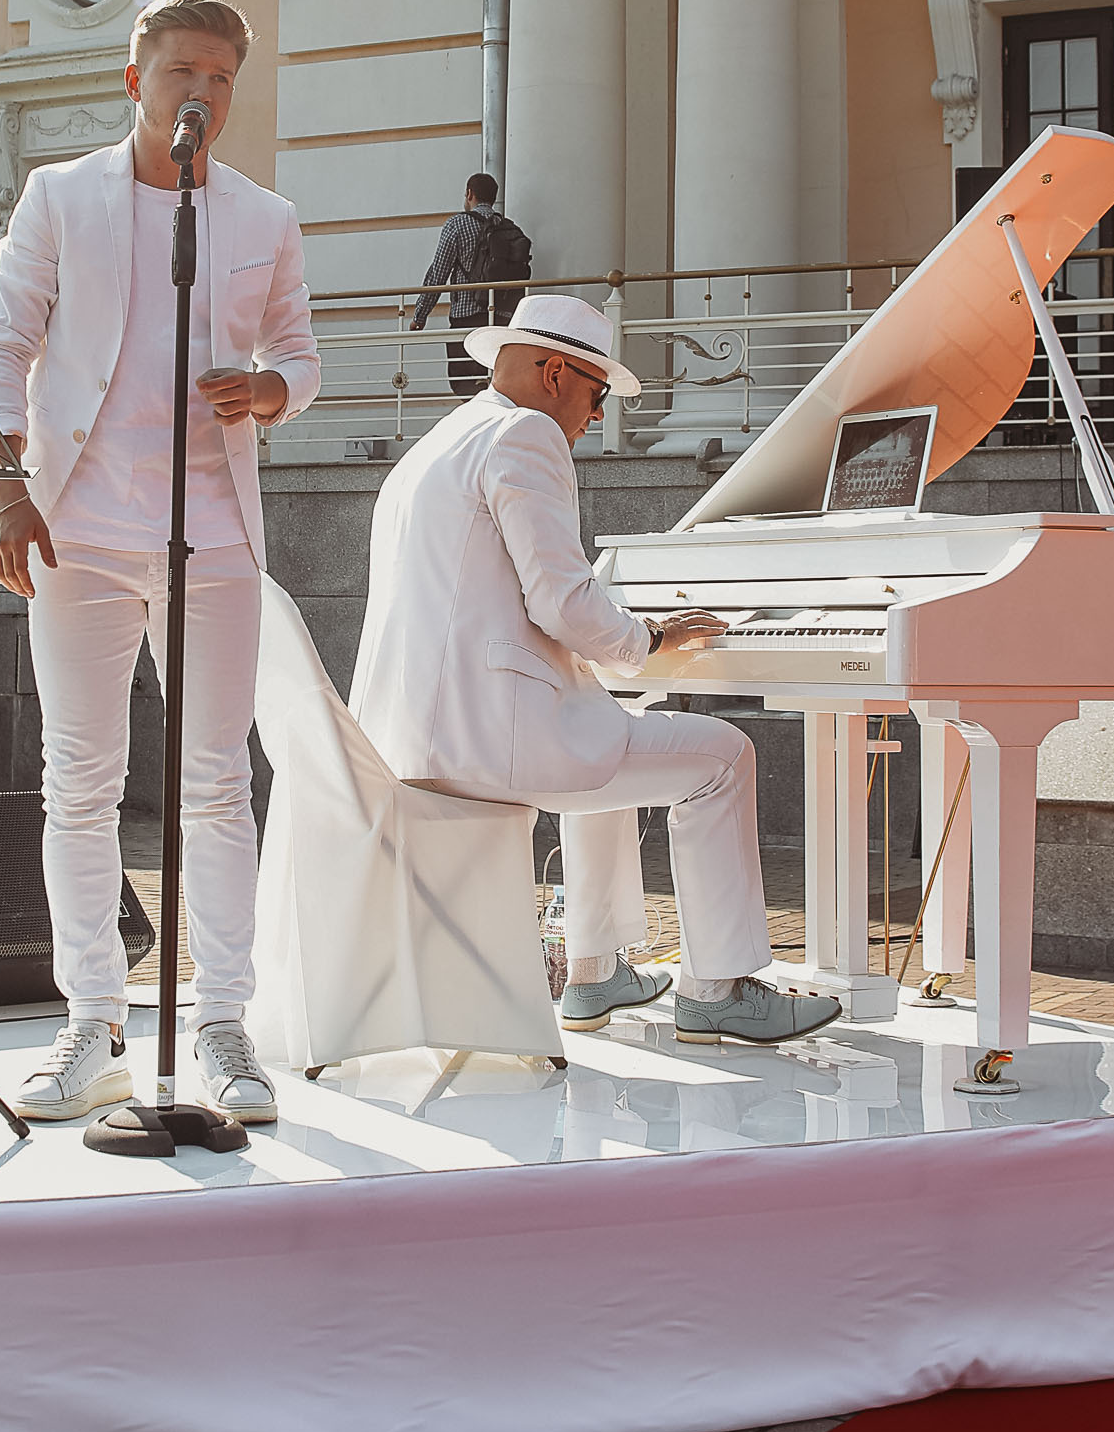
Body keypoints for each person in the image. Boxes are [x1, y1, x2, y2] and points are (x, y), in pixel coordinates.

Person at [0, 0, 320, 1125]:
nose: (201, 94)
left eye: (221, 77)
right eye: (181, 73)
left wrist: (272, 391)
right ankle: (90, 1025)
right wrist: (6, 484)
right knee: (78, 780)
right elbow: (3, 341)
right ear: (136, 82)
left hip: (210, 537)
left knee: (215, 783)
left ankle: (222, 1024)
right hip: (74, 527)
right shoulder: (59, 196)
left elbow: (300, 357)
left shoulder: (263, 217)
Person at [351, 291, 839, 1046]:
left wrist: (619, 651)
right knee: (724, 757)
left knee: (610, 729)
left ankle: (594, 972)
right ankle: (720, 991)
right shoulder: (525, 436)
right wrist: (649, 637)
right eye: (596, 392)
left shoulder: (441, 441)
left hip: (412, 738)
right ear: (554, 374)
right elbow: (563, 602)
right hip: (488, 740)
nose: (594, 416)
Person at [410, 173, 532, 399]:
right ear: (493, 198)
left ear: (469, 194)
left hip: (467, 319)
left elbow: (438, 273)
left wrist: (420, 315)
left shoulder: (457, 224)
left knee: (466, 386)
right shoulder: (509, 228)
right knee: (499, 390)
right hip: (503, 322)